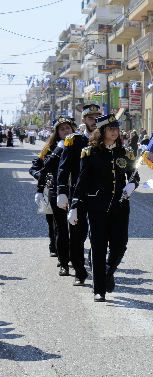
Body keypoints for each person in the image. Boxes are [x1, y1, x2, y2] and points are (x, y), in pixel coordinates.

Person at [68, 113, 138, 302]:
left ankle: (107, 273)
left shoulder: (125, 152)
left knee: (120, 245)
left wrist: (133, 184)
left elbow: (134, 174)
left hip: (120, 206)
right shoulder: (90, 153)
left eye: (117, 129)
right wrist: (74, 205)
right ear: (102, 131)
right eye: (111, 129)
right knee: (98, 247)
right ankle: (99, 290)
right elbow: (81, 181)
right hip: (97, 206)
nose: (115, 133)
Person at [56, 104, 102, 286]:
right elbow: (63, 168)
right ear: (83, 120)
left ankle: (97, 267)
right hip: (78, 194)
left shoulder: (105, 137)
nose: (94, 120)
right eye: (91, 117)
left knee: (99, 235)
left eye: (97, 116)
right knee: (77, 235)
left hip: (100, 195)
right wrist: (62, 192)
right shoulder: (73, 140)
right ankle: (80, 272)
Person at [33, 117, 77, 276]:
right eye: (62, 129)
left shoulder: (79, 143)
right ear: (57, 132)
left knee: (77, 229)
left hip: (76, 190)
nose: (66, 131)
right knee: (60, 228)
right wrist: (40, 186)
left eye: (68, 128)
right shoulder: (51, 147)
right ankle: (63, 262)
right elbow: (40, 167)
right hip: (55, 190)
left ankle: (75, 258)